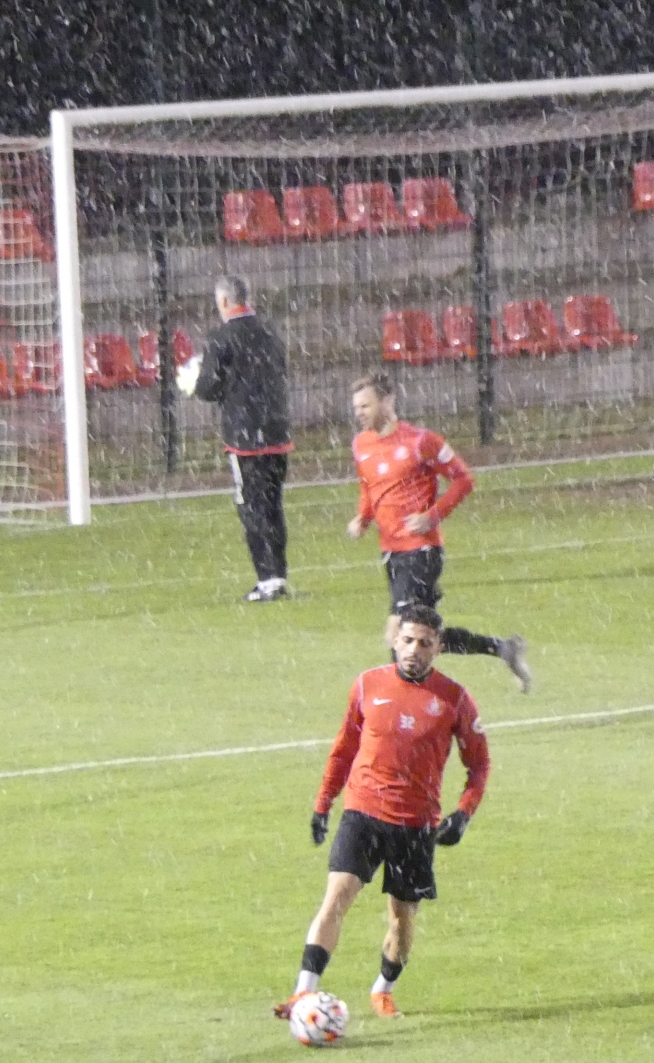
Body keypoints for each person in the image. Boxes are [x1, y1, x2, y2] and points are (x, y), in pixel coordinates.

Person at [276, 602, 490, 1021]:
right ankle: (303, 992)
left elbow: (479, 765)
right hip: (363, 813)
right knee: (336, 898)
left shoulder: (454, 699)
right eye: (408, 640)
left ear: (439, 647)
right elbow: (344, 749)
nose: (414, 650)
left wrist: (464, 814)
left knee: (401, 921)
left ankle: (383, 989)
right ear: (395, 640)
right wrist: (323, 804)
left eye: (425, 643)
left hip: (415, 825)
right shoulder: (367, 685)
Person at [347, 373, 531, 692]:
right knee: (425, 635)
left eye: (365, 405)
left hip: (421, 551)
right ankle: (502, 649)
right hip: (391, 552)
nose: (359, 413)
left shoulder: (421, 441)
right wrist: (362, 518)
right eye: (356, 407)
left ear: (387, 401)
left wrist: (432, 516)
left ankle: (405, 702)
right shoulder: (361, 444)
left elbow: (463, 479)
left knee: (399, 632)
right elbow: (369, 485)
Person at [177, 275, 293, 603]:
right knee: (273, 504)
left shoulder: (222, 337)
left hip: (245, 436)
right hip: (277, 430)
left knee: (251, 507)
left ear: (225, 301)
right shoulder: (270, 331)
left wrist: (194, 384)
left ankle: (267, 579)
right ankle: (278, 575)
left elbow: (208, 387)